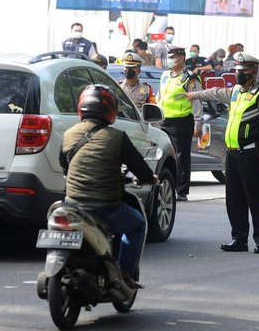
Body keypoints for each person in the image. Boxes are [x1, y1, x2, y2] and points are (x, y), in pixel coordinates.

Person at [59, 84, 158, 286]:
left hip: (72, 204)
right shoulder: (116, 137)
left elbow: (64, 164)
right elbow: (140, 168)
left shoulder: (69, 134)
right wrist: (151, 178)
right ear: (110, 110)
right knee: (137, 224)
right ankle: (123, 275)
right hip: (105, 206)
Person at [186, 52, 259, 253]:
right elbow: (216, 93)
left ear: (253, 72)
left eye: (243, 71)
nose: (239, 75)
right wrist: (195, 95)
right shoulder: (235, 91)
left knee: (256, 198)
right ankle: (239, 239)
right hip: (232, 154)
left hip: (251, 153)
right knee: (234, 199)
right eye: (238, 71)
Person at [157, 45, 203, 201]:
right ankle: (165, 186)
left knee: (181, 157)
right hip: (164, 120)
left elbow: (197, 100)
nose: (169, 59)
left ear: (181, 58)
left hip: (181, 121)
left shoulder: (189, 77)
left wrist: (198, 122)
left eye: (172, 56)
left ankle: (182, 191)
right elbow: (160, 97)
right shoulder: (165, 75)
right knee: (162, 155)